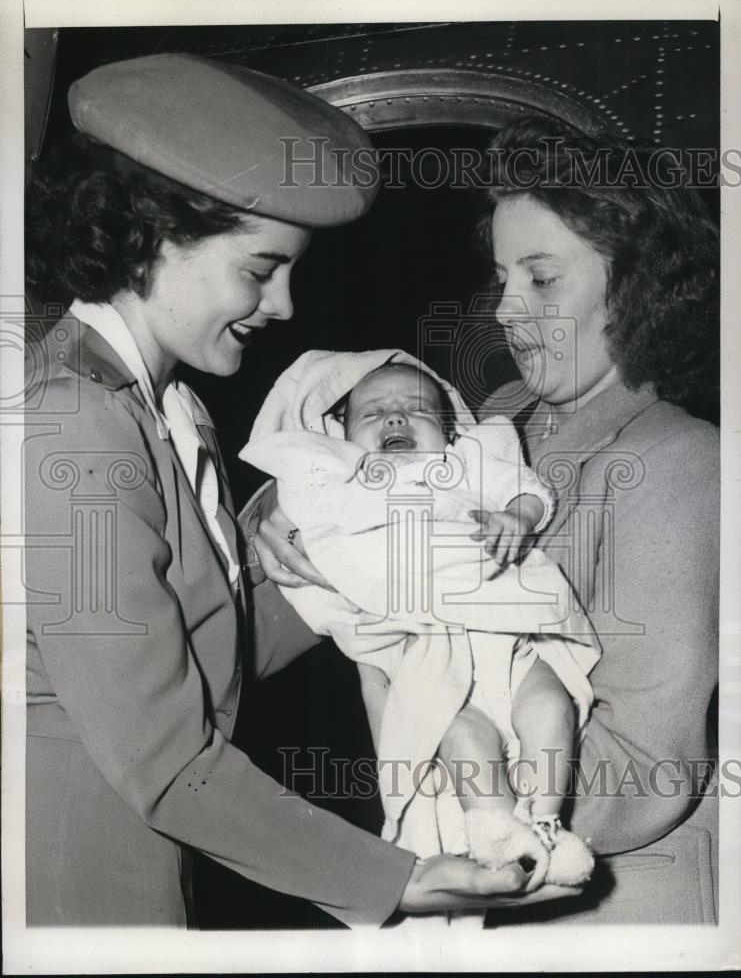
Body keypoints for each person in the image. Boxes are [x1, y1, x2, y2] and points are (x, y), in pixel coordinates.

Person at [24, 54, 581, 929]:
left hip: (150, 862)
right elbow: (168, 761)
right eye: (259, 269)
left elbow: (215, 653)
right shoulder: (74, 422)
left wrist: (362, 546)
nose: (283, 304)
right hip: (70, 881)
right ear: (152, 235)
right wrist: (400, 879)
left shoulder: (170, 405)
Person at [252, 117, 720, 924]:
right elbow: (351, 458)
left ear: (638, 289)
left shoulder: (682, 463)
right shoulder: (498, 415)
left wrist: (436, 754)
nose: (503, 309)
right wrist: (274, 510)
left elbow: (643, 773)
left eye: (540, 280)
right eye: (502, 276)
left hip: (600, 920)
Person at [241, 351, 598, 897]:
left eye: (417, 409)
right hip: (420, 639)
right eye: (375, 412)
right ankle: (501, 833)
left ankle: (547, 825)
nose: (395, 419)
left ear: (450, 428)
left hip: (503, 629)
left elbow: (525, 487)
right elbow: (286, 516)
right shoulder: (341, 475)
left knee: (551, 706)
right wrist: (283, 511)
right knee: (461, 732)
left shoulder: (468, 461)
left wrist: (516, 517)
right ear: (341, 432)